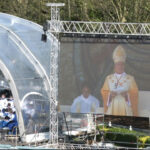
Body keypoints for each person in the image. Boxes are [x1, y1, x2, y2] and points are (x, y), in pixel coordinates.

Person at [101, 45, 138, 116]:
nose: (120, 66)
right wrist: (110, 95)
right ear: (115, 65)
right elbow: (104, 92)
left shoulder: (130, 78)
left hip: (125, 109)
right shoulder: (108, 78)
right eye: (118, 64)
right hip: (112, 107)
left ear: (124, 65)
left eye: (122, 64)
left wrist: (127, 95)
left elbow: (135, 93)